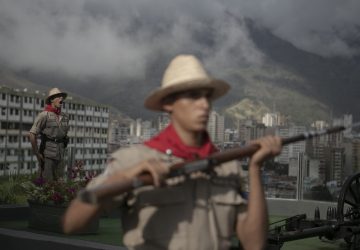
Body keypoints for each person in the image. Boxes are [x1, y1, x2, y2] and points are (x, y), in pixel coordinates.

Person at [62, 55, 282, 250]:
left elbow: (254, 244)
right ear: (168, 103)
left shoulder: (227, 167)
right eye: (193, 96)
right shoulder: (133, 159)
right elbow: (72, 223)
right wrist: (126, 176)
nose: (204, 104)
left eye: (207, 96)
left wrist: (255, 168)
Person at [29, 87, 70, 181]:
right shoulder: (44, 115)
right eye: (58, 97)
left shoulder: (65, 117)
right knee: (46, 182)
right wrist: (37, 153)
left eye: (61, 97)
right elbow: (32, 134)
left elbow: (65, 133)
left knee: (60, 182)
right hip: (47, 155)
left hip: (61, 154)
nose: (61, 99)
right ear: (52, 99)